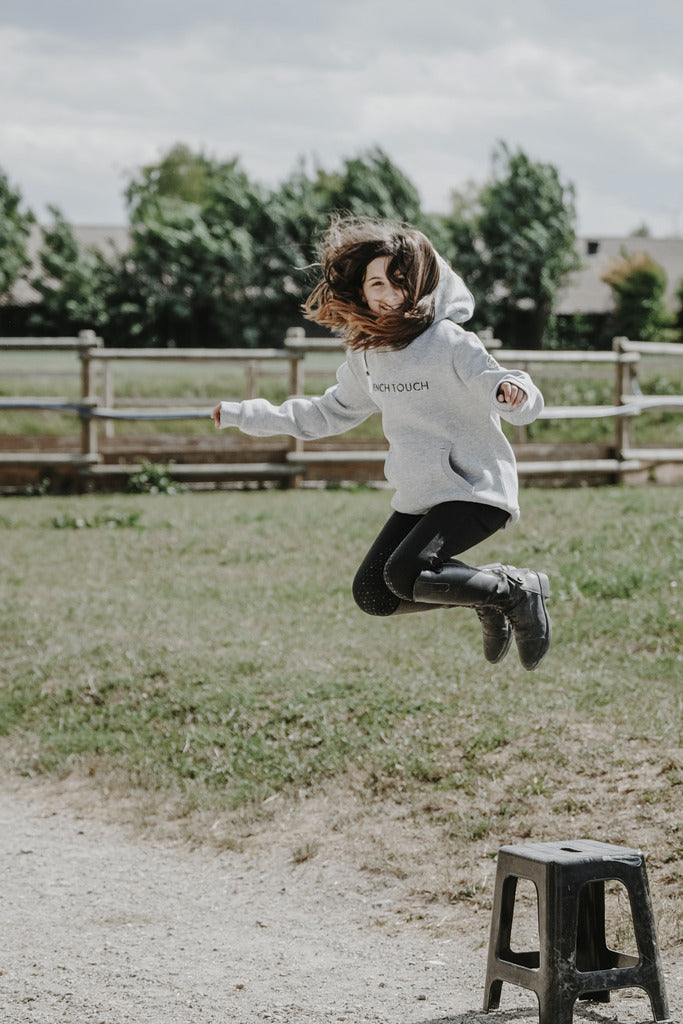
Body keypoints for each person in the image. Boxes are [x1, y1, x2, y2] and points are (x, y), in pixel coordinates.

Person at [212, 215, 551, 670]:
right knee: (373, 593)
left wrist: (515, 394)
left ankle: (514, 590)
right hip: (421, 494)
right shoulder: (368, 355)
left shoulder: (448, 341)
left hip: (474, 488)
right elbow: (325, 413)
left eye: (399, 282)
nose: (387, 295)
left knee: (402, 571)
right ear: (361, 289)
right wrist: (246, 414)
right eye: (376, 283)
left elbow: (506, 385)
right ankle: (489, 597)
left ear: (420, 285)